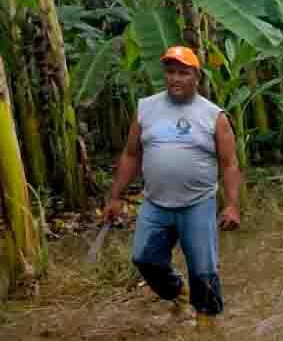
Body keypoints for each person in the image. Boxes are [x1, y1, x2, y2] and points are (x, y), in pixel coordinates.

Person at [102, 45, 242, 319]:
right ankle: (178, 292)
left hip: (197, 204)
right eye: (170, 72)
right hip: (156, 204)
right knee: (144, 259)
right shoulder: (146, 108)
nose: (175, 78)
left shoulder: (214, 116)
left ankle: (208, 332)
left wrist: (232, 205)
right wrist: (116, 196)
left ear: (196, 77)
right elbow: (131, 154)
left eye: (183, 73)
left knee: (204, 273)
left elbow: (229, 163)